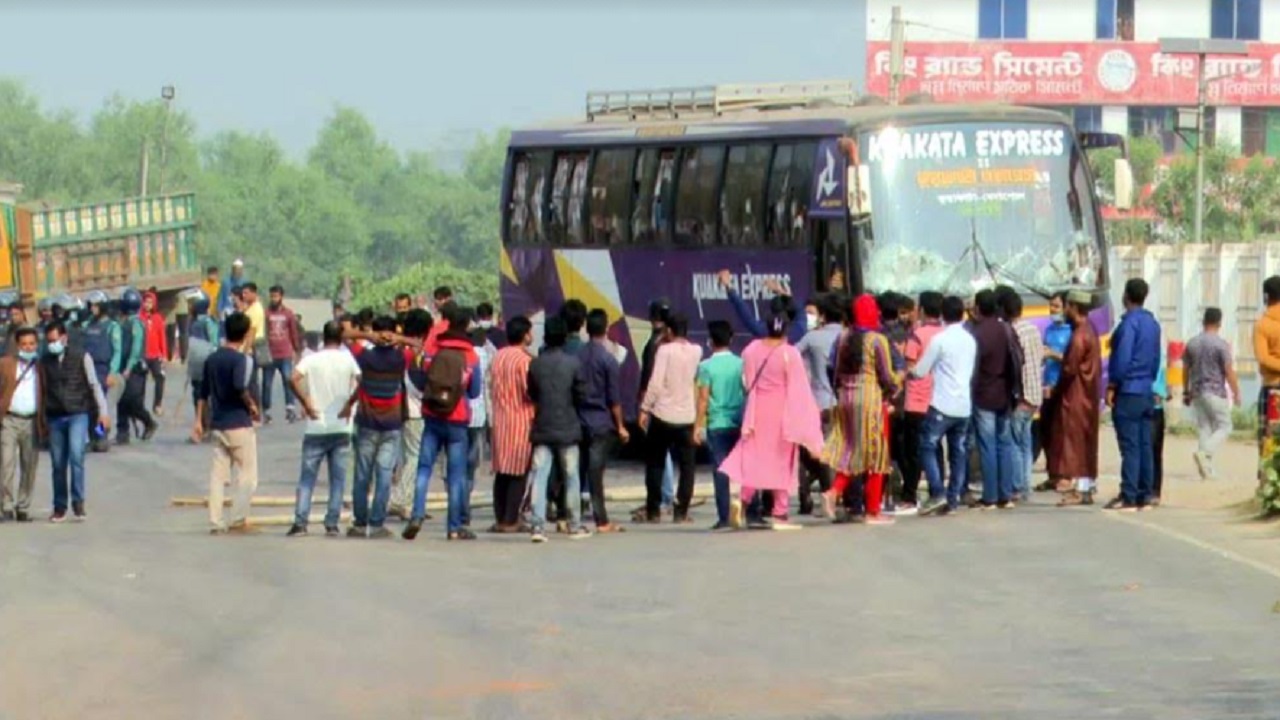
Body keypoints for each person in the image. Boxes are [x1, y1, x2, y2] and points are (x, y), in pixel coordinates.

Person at [720, 306, 824, 530]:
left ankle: (743, 499)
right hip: (782, 413)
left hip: (757, 411)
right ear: (785, 328)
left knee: (754, 458)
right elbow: (799, 388)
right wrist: (807, 422)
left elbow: (748, 381)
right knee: (782, 461)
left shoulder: (751, 350)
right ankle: (780, 511)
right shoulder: (790, 353)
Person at [820, 295, 902, 525]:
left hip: (845, 399)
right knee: (876, 454)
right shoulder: (877, 340)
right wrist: (899, 382)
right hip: (870, 401)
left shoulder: (843, 337)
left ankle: (834, 491)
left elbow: (831, 369)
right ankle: (872, 510)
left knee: (853, 450)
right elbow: (886, 375)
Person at [405, 305, 482, 541]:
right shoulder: (472, 356)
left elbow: (419, 375)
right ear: (466, 325)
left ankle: (416, 514)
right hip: (457, 419)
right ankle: (454, 526)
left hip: (432, 414)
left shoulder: (434, 348)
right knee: (456, 475)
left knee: (424, 468)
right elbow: (475, 391)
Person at [286, 321, 362, 537]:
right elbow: (362, 381)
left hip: (316, 426)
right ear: (340, 338)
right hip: (341, 426)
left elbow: (293, 378)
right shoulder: (348, 359)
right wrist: (349, 404)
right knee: (337, 479)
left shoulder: (312, 359)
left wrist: (306, 403)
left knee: (307, 478)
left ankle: (301, 521)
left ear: (323, 337)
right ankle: (332, 522)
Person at [343, 316, 413, 539]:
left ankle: (360, 522)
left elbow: (344, 335)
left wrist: (367, 336)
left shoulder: (365, 357)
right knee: (384, 475)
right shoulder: (401, 358)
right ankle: (377, 523)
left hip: (367, 423)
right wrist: (398, 338)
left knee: (363, 475)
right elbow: (420, 345)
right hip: (392, 425)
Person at [193, 312, 260, 534]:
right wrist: (251, 405)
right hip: (238, 423)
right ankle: (238, 518)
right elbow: (240, 386)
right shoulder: (240, 360)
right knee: (247, 475)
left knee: (218, 476)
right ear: (243, 335)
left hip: (218, 423)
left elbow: (203, 393)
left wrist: (198, 421)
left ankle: (215, 520)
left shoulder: (212, 359)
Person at [526, 317, 589, 542]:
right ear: (564, 337)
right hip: (568, 428)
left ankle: (537, 526)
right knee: (571, 476)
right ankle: (574, 524)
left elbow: (531, 394)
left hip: (542, 426)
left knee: (540, 476)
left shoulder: (535, 364)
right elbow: (582, 395)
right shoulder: (573, 364)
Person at [41, 321, 111, 523]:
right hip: (55, 416)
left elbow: (94, 385)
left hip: (78, 413)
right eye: (49, 341)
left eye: (55, 340)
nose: (52, 344)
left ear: (64, 338)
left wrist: (102, 412)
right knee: (57, 463)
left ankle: (78, 502)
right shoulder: (45, 361)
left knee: (76, 455)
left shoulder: (81, 357)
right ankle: (59, 505)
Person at [915, 296, 978, 516]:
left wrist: (910, 373)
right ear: (962, 314)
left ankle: (937, 491)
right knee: (958, 453)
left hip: (942, 403)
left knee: (927, 446)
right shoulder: (969, 340)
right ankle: (952, 499)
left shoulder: (940, 340)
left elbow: (921, 370)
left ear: (942, 314)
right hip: (964, 404)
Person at [638, 312, 701, 523]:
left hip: (663, 414)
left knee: (655, 462)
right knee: (687, 465)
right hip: (687, 415)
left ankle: (653, 510)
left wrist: (645, 408)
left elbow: (655, 383)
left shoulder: (664, 351)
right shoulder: (696, 351)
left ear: (669, 331)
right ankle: (681, 510)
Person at [1106, 279, 1162, 512]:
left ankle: (1129, 494)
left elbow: (1122, 358)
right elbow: (1157, 358)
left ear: (1126, 296)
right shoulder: (1152, 324)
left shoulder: (1129, 324)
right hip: (1146, 388)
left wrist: (1112, 385)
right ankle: (1145, 494)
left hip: (1128, 389)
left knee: (1129, 445)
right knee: (1144, 444)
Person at [576, 309, 629, 533]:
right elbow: (614, 399)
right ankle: (601, 520)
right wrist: (621, 426)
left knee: (574, 470)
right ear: (606, 329)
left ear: (586, 329)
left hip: (577, 419)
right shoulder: (608, 359)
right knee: (595, 473)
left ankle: (567, 515)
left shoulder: (575, 356)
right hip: (599, 422)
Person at [1049, 291, 1103, 506]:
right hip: (1088, 394)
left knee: (1077, 442)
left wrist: (1056, 390)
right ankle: (1086, 486)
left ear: (1073, 307)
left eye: (1067, 306)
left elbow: (1069, 369)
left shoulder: (1080, 335)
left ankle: (1081, 489)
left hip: (1076, 395)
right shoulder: (1089, 330)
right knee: (1086, 440)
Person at [969, 289, 1020, 510]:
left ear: (978, 308)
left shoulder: (977, 334)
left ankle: (990, 496)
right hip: (1005, 393)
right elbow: (1018, 360)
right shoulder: (1006, 329)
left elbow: (973, 368)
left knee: (987, 446)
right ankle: (1005, 495)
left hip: (984, 394)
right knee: (1004, 444)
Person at [793, 293, 841, 515]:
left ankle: (809, 496)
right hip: (841, 403)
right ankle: (832, 497)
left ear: (823, 316)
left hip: (816, 403)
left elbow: (790, 355)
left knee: (809, 452)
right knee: (835, 454)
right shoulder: (848, 336)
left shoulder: (812, 338)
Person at [694, 320, 745, 531]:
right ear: (731, 339)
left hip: (717, 423)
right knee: (745, 468)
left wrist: (697, 425)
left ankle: (724, 516)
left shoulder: (705, 367)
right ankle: (751, 508)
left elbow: (703, 398)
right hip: (739, 421)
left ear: (710, 341)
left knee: (720, 470)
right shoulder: (740, 363)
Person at [489, 316, 536, 532]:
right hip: (521, 420)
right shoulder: (524, 361)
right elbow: (530, 391)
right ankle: (510, 519)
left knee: (502, 471)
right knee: (518, 471)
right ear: (525, 334)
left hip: (500, 419)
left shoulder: (497, 357)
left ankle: (500, 517)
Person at [900, 291, 945, 511]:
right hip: (938, 400)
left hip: (916, 400)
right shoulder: (946, 333)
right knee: (936, 448)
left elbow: (909, 367)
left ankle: (909, 496)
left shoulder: (916, 335)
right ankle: (939, 491)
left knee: (913, 452)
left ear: (923, 310)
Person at [1184, 307, 1241, 481]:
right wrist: (1236, 391)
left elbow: (1186, 369)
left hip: (1198, 391)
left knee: (1205, 428)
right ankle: (1204, 453)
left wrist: (1186, 391)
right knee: (1225, 426)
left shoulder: (1192, 343)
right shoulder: (1221, 345)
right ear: (1219, 323)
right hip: (1215, 391)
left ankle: (1206, 470)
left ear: (1204, 321)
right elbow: (1228, 370)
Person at [390, 309, 432, 522]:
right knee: (415, 457)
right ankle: (401, 500)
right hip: (415, 409)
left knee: (406, 456)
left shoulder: (400, 348)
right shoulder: (414, 352)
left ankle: (408, 501)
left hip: (401, 408)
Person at [636, 298, 676, 518]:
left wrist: (643, 405)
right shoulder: (674, 341)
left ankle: (665, 496)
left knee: (659, 452)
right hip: (675, 401)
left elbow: (649, 378)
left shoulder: (654, 344)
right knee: (667, 451)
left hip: (657, 403)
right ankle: (668, 495)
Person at [0, 328, 45, 523]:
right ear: (17, 346)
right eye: (24, 344)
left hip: (31, 421)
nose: (28, 347)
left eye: (31, 344)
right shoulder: (5, 364)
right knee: (6, 464)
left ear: (37, 345)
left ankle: (23, 506)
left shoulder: (41, 367)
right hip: (9, 420)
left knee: (29, 466)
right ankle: (6, 505)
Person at [1004, 293, 1045, 502]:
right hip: (1035, 394)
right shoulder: (1033, 329)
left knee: (1015, 442)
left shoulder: (1012, 332)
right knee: (1026, 443)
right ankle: (1026, 485)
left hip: (1021, 395)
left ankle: (1018, 486)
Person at [1038, 292, 1074, 490]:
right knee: (1047, 431)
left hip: (1064, 386)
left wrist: (1054, 354)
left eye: (1056, 307)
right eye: (1051, 306)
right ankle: (1052, 473)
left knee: (1063, 432)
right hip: (1048, 385)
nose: (1053, 311)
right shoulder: (1049, 329)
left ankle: (1065, 475)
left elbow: (1071, 359)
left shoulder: (1071, 331)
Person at [79, 290, 121, 453]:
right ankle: (91, 437)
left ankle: (101, 436)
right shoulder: (87, 325)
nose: (93, 309)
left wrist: (112, 372)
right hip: (88, 367)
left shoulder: (112, 326)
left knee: (102, 405)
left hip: (104, 369)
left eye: (96, 305)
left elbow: (117, 351)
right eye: (91, 305)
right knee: (89, 405)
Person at [464, 315, 496, 527]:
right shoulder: (484, 355)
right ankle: (464, 502)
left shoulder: (463, 354)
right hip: (479, 415)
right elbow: (486, 390)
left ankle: (459, 502)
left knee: (457, 463)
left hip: (459, 415)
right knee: (471, 464)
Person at [116, 287, 157, 445]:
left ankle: (149, 422)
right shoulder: (122, 322)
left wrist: (128, 367)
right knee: (119, 399)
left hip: (135, 369)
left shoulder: (136, 324)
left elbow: (136, 347)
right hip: (122, 366)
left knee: (132, 401)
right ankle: (122, 432)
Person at [263, 285, 304, 424]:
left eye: (276, 296)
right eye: (272, 296)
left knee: (288, 380)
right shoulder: (266, 313)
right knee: (267, 383)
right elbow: (264, 332)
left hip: (285, 353)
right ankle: (266, 411)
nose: (274, 299)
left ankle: (290, 409)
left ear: (281, 297)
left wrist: (297, 350)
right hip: (270, 353)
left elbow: (293, 332)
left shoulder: (288, 314)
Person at [1253, 276, 1280, 454]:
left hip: (1272, 389)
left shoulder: (1262, 325)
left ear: (1266, 297)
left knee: (1269, 439)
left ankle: (1269, 480)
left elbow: (1263, 358)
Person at [140, 291, 168, 417]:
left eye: (150, 302)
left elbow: (162, 336)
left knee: (160, 378)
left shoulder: (157, 318)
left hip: (155, 355)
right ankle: (139, 405)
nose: (147, 305)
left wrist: (164, 354)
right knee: (140, 381)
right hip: (143, 355)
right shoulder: (139, 318)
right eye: (146, 302)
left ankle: (157, 404)